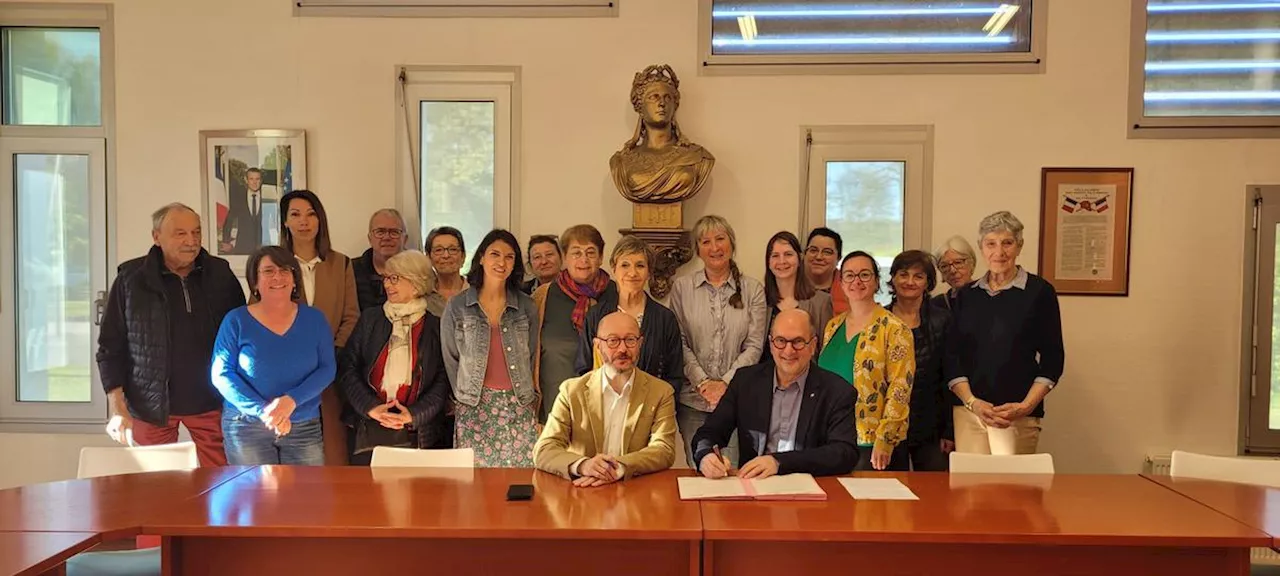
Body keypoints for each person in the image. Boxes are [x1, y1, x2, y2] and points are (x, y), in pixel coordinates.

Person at [97, 203, 245, 467]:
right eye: (180, 234)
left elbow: (242, 335)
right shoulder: (130, 279)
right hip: (150, 406)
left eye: (196, 232)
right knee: (155, 490)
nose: (191, 241)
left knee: (222, 485)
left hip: (212, 402)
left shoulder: (220, 273)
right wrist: (118, 408)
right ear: (156, 237)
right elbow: (110, 347)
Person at [946, 211, 1065, 455]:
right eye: (991, 243)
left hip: (1016, 414)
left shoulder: (1039, 292)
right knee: (970, 490)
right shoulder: (966, 295)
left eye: (1007, 243)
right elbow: (952, 357)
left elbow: (1053, 359)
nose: (999, 252)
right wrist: (972, 402)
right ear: (981, 248)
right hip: (969, 412)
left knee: (1011, 490)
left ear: (1019, 246)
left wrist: (1026, 406)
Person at [691, 309, 857, 479]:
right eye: (780, 341)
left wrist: (779, 462)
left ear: (813, 345)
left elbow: (844, 453)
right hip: (754, 487)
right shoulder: (745, 381)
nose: (788, 350)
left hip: (810, 490)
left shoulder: (837, 391)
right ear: (770, 344)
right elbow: (709, 432)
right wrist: (705, 456)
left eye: (798, 342)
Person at [211, 246, 335, 465]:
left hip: (303, 425)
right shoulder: (236, 320)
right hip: (246, 426)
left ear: (295, 279)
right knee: (254, 496)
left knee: (307, 496)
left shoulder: (315, 319)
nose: (278, 276)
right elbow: (221, 374)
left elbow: (327, 369)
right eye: (268, 271)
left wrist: (291, 402)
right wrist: (265, 412)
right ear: (255, 281)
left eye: (285, 270)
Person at [668, 215, 767, 467]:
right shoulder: (681, 288)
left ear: (731, 244)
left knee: (732, 470)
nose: (715, 247)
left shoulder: (752, 289)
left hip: (736, 400)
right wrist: (703, 383)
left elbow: (754, 346)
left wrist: (724, 384)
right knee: (701, 469)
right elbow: (678, 342)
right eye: (706, 241)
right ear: (698, 250)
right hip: (693, 401)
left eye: (720, 239)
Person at [534, 312, 677, 484]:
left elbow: (664, 450)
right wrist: (583, 465)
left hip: (633, 490)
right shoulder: (572, 391)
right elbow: (544, 450)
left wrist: (620, 468)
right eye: (612, 340)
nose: (622, 349)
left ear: (640, 343)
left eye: (630, 340)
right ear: (597, 346)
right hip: (583, 492)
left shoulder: (661, 392)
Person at [338, 251, 451, 465]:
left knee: (417, 497)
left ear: (416, 283)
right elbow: (348, 368)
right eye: (386, 278)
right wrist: (371, 408)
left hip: (418, 433)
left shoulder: (435, 327)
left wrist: (413, 414)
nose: (387, 285)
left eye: (394, 278)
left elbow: (443, 380)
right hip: (368, 429)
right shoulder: (371, 319)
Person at [441, 230, 540, 467]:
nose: (502, 262)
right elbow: (451, 359)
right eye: (495, 254)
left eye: (509, 257)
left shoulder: (527, 306)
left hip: (520, 403)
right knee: (475, 487)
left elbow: (533, 355)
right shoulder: (458, 306)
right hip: (475, 406)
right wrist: (464, 396)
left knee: (521, 481)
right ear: (482, 257)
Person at [280, 189, 359, 465]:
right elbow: (261, 314)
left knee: (333, 451)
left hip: (330, 370)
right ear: (285, 222)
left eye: (311, 214)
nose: (304, 221)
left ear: (320, 220)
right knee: (293, 455)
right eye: (295, 215)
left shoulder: (341, 263)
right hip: (287, 374)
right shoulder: (275, 264)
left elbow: (351, 316)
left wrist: (332, 353)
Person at [819, 251, 915, 471]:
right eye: (850, 275)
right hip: (831, 439)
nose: (857, 281)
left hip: (873, 444)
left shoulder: (894, 329)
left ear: (876, 281)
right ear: (841, 283)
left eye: (864, 275)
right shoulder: (833, 327)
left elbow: (900, 389)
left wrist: (886, 438)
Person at [576, 235, 685, 395]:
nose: (632, 273)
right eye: (625, 265)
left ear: (649, 272)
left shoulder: (665, 319)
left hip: (650, 411)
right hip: (603, 410)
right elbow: (583, 369)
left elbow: (674, 376)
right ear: (614, 269)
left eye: (640, 265)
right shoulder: (595, 316)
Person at [532, 225, 616, 422]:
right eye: (576, 253)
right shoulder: (543, 296)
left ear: (601, 257)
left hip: (607, 410)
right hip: (555, 408)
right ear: (564, 258)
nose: (583, 260)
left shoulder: (617, 293)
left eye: (590, 253)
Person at [886, 250, 953, 471]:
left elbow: (949, 378)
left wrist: (949, 431)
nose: (910, 282)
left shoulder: (942, 320)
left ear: (928, 282)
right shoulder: (879, 320)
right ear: (893, 279)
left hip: (931, 425)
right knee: (891, 494)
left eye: (918, 276)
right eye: (903, 274)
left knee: (935, 492)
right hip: (889, 423)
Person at [763, 231, 832, 355]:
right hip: (763, 373)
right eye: (775, 256)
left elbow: (825, 353)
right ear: (768, 262)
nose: (782, 261)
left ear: (800, 258)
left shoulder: (821, 302)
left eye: (788, 254)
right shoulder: (759, 300)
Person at [351, 209, 407, 311]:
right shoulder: (350, 271)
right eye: (380, 232)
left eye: (394, 232)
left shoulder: (416, 273)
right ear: (370, 238)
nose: (386, 237)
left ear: (405, 239)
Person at [219, 167, 266, 255]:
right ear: (246, 180)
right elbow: (229, 219)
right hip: (243, 247)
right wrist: (226, 241)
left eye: (257, 179)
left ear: (261, 180)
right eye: (251, 179)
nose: (254, 182)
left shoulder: (267, 198)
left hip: (264, 247)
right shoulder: (239, 198)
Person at [805, 227, 850, 315]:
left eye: (827, 252)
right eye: (813, 250)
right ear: (804, 254)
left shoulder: (850, 290)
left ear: (838, 259)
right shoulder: (790, 285)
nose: (818, 257)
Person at [426, 226, 468, 313]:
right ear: (428, 257)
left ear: (463, 257)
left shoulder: (477, 293)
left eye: (453, 250)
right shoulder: (423, 295)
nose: (446, 255)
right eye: (438, 250)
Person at [933, 235, 978, 311]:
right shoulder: (936, 305)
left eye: (958, 263)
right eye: (944, 266)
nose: (952, 270)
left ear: (972, 264)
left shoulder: (989, 298)